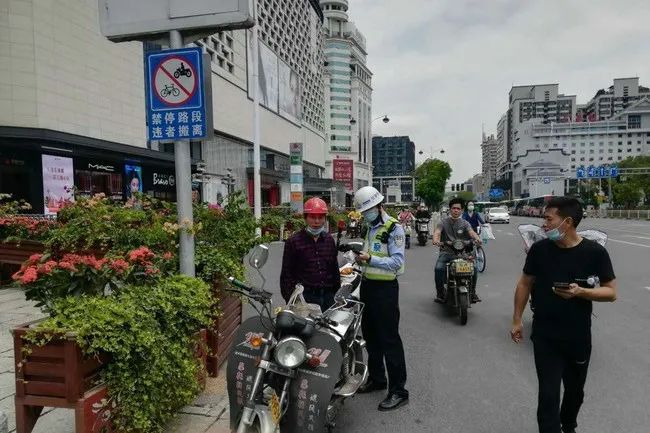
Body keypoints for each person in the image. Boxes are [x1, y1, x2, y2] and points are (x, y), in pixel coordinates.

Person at [511, 196, 617, 433]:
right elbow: (524, 284)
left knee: (575, 392)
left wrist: (581, 292)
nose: (544, 224)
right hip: (545, 336)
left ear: (567, 222)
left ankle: (568, 425)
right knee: (548, 395)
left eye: (549, 219)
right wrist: (517, 319)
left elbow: (611, 292)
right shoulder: (539, 250)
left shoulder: (594, 252)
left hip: (578, 337)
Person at [353, 186, 409, 411]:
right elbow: (369, 255)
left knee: (389, 340)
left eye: (368, 209)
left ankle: (398, 391)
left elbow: (397, 263)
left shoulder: (393, 228)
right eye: (363, 210)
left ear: (378, 206)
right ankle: (377, 379)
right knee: (371, 337)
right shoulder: (369, 227)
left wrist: (370, 259)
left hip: (385, 290)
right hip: (367, 287)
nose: (366, 213)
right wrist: (359, 261)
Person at [280, 197, 340, 311]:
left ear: (325, 219)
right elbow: (286, 275)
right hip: (305, 298)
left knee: (328, 328)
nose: (317, 221)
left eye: (320, 217)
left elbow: (334, 269)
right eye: (312, 217)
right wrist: (291, 299)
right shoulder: (293, 242)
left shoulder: (329, 240)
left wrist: (336, 293)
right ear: (305, 218)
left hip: (328, 297)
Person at [432, 198, 483, 303]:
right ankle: (440, 293)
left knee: (473, 268)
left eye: (458, 209)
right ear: (450, 210)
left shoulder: (465, 223)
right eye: (454, 208)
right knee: (438, 268)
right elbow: (437, 232)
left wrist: (477, 238)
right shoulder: (443, 222)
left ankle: (473, 293)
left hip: (462, 253)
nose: (456, 210)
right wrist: (436, 240)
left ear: (462, 210)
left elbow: (471, 233)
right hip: (446, 252)